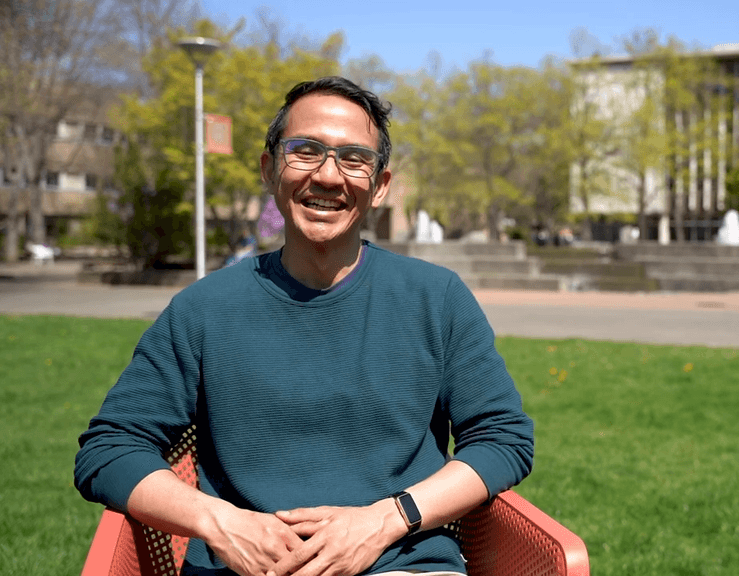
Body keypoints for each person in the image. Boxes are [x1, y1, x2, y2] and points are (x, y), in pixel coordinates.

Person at [74, 76, 534, 576]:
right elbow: (109, 448)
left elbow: (502, 439)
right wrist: (220, 522)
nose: (329, 176)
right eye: (306, 151)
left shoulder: (436, 298)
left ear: (379, 186)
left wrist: (386, 519)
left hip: (401, 564)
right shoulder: (203, 309)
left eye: (354, 158)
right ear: (270, 170)